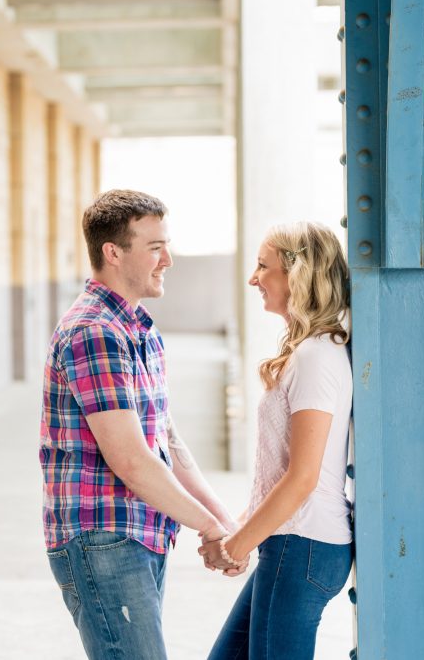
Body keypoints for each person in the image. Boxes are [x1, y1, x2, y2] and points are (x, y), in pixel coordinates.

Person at [41, 189, 241, 660]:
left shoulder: (138, 329)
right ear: (113, 253)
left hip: (138, 533)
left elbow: (166, 441)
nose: (168, 259)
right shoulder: (95, 333)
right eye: (155, 247)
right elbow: (131, 460)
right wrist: (210, 529)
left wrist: (223, 521)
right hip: (104, 539)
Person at [201, 221, 354, 660]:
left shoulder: (316, 357)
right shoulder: (310, 351)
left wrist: (236, 546)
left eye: (263, 267)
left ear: (296, 274)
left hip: (302, 545)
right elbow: (277, 476)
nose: (253, 279)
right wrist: (239, 532)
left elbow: (302, 478)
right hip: (291, 543)